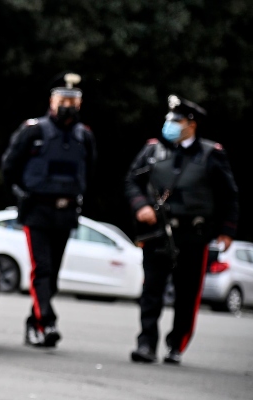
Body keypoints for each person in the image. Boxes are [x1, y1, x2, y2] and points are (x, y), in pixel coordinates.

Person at [126, 95, 239, 365]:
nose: (171, 125)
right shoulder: (153, 150)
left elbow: (229, 195)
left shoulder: (212, 154)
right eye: (169, 120)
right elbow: (132, 181)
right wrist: (141, 206)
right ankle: (146, 344)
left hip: (193, 235)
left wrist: (227, 230)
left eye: (177, 121)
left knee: (187, 294)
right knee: (151, 290)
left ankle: (177, 344)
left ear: (192, 124)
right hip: (157, 233)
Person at [1, 72, 96, 348]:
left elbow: (90, 171)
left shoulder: (84, 136)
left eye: (73, 100)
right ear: (52, 101)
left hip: (65, 212)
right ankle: (48, 321)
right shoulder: (34, 130)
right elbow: (9, 166)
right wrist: (21, 194)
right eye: (63, 98)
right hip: (37, 210)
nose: (68, 104)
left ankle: (34, 324)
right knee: (41, 269)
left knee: (52, 274)